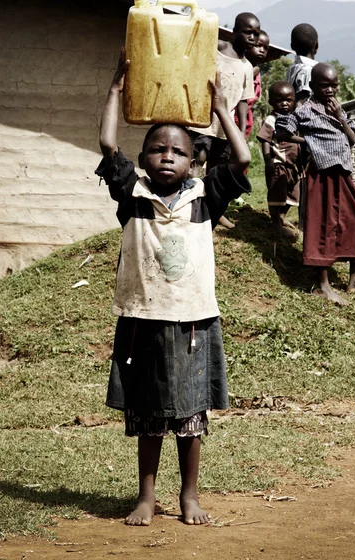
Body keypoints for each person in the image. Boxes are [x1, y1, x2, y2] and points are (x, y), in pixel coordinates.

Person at [96, 49, 251, 527]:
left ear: (194, 161)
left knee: (190, 415)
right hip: (143, 318)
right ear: (143, 158)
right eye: (158, 150)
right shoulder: (133, 194)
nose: (168, 156)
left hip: (192, 319)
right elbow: (106, 144)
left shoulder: (207, 196)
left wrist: (222, 108)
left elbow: (242, 156)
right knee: (147, 414)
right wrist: (117, 91)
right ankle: (146, 496)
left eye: (179, 152)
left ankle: (188, 494)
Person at [275, 62, 355, 305]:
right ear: (313, 86)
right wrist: (308, 141)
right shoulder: (304, 110)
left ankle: (354, 278)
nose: (330, 90)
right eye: (324, 85)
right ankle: (322, 285)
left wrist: (340, 117)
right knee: (324, 225)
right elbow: (282, 132)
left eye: (334, 85)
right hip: (320, 174)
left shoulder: (339, 110)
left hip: (342, 173)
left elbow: (352, 139)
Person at [190, 12, 259, 228]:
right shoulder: (218, 48)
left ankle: (214, 211)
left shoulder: (247, 66)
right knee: (196, 162)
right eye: (248, 32)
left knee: (218, 170)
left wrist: (239, 131)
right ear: (235, 31)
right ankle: (190, 204)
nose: (252, 38)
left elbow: (242, 101)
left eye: (256, 34)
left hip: (223, 128)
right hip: (201, 121)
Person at [257, 81, 301, 235]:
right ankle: (275, 222)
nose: (284, 104)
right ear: (271, 102)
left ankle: (281, 218)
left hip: (293, 166)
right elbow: (265, 140)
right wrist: (268, 160)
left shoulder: (294, 118)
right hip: (278, 163)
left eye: (288, 100)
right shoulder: (272, 119)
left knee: (292, 194)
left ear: (294, 100)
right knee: (277, 192)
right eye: (279, 100)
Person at [235, 29, 270, 140]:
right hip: (233, 119)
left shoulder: (257, 72)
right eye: (258, 46)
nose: (262, 50)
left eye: (266, 48)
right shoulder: (240, 65)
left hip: (244, 122)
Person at [286, 23, 319, 107]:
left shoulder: (292, 68)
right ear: (316, 45)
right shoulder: (310, 70)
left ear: (292, 46)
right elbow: (302, 101)